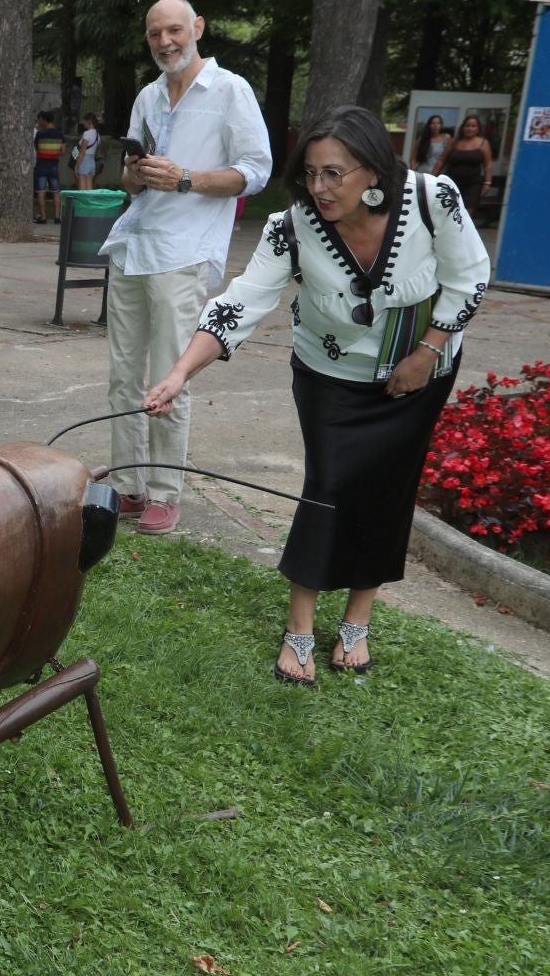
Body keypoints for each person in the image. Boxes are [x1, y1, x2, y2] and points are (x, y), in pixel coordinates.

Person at [143, 105, 490, 683]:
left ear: (373, 170)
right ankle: (300, 626)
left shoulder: (435, 199)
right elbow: (243, 299)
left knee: (387, 489)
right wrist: (181, 373)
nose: (319, 187)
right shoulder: (291, 226)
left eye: (335, 173)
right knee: (327, 488)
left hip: (420, 372)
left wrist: (427, 353)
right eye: (310, 173)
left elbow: (470, 276)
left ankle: (358, 620)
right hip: (330, 378)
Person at [103, 0, 271, 536]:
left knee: (170, 376)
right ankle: (128, 486)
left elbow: (256, 172)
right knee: (123, 374)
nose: (165, 42)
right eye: (155, 34)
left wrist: (184, 178)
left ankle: (165, 491)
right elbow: (129, 182)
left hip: (185, 251)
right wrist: (136, 171)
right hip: (134, 244)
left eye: (174, 30)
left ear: (198, 26)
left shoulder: (230, 90)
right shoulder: (149, 95)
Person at [441, 114, 492, 222]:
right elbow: (442, 159)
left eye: (473, 126)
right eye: (467, 126)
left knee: (466, 215)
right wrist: (433, 176)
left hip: (472, 185)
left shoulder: (483, 143)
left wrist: (487, 183)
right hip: (452, 183)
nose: (470, 128)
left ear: (478, 129)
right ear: (463, 127)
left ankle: (463, 236)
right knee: (448, 211)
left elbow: (488, 164)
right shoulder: (454, 142)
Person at [33, 109, 66, 223]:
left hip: (41, 165)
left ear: (44, 120)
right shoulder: (60, 134)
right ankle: (57, 217)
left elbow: (37, 147)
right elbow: (63, 150)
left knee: (40, 191)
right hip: (54, 166)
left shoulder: (40, 134)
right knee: (56, 191)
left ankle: (43, 216)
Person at [74, 113, 102, 189]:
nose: (83, 123)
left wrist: (76, 166)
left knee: (82, 190)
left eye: (84, 121)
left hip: (84, 161)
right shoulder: (97, 134)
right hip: (92, 162)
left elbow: (82, 152)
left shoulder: (86, 134)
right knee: (89, 189)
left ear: (88, 121)